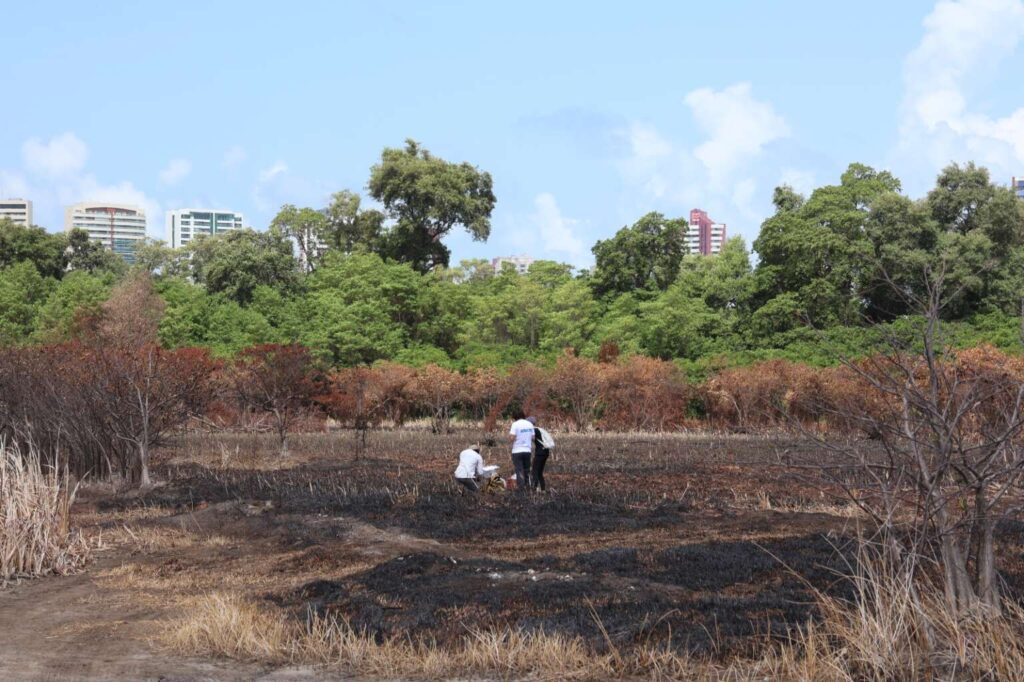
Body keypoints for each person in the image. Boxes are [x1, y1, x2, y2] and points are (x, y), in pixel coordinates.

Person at [508, 414, 535, 492]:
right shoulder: (530, 424)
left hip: (517, 451)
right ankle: (528, 486)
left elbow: (512, 438)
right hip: (527, 451)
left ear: (515, 418)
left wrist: (511, 438)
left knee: (519, 470)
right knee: (527, 469)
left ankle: (521, 489)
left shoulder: (515, 424)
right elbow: (533, 438)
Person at [531, 420, 554, 491]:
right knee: (540, 472)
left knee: (534, 471)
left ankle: (534, 489)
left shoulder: (534, 430)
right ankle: (543, 489)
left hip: (540, 453)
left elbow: (532, 438)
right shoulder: (540, 429)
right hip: (546, 451)